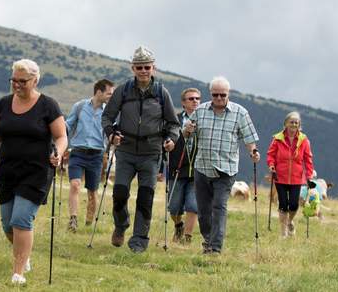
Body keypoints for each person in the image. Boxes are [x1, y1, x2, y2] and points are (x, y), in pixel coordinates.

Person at [0, 59, 67, 284]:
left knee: (21, 219)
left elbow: (61, 136)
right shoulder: (3, 104)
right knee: (8, 223)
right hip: (7, 170)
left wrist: (58, 151)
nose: (17, 85)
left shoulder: (48, 105)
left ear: (35, 80)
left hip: (36, 171)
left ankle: (18, 272)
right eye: (14, 80)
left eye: (23, 81)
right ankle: (23, 253)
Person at [101, 46, 179, 253]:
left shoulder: (162, 93)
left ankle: (139, 241)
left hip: (152, 153)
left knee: (146, 197)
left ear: (154, 68)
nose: (143, 71)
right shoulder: (123, 91)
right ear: (132, 68)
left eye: (147, 67)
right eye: (139, 67)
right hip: (125, 151)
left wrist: (171, 139)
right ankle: (121, 224)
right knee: (119, 193)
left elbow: (173, 123)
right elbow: (107, 116)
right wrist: (111, 134)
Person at [184, 76, 259, 254]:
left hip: (226, 169)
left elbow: (249, 137)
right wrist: (187, 130)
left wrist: (253, 152)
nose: (218, 98)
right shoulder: (200, 111)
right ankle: (208, 239)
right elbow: (186, 134)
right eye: (215, 95)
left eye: (222, 95)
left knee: (219, 206)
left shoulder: (240, 113)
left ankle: (215, 247)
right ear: (210, 94)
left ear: (228, 94)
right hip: (202, 167)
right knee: (203, 210)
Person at [64, 79, 115, 232]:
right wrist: (58, 125)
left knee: (92, 191)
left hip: (97, 155)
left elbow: (111, 132)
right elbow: (68, 125)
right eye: (109, 93)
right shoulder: (79, 107)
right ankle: (73, 220)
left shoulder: (109, 112)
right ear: (99, 92)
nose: (110, 97)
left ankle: (88, 222)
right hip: (78, 152)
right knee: (75, 185)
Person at [266, 111, 314, 238]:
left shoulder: (304, 140)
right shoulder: (277, 139)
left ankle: (290, 221)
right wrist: (271, 165)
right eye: (291, 122)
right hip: (280, 176)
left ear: (299, 125)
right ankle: (283, 233)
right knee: (283, 204)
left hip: (296, 177)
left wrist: (309, 176)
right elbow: (270, 155)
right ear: (286, 123)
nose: (294, 124)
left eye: (296, 122)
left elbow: (308, 159)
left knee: (294, 205)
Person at [166, 88, 202, 244]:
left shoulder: (205, 120)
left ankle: (187, 237)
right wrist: (183, 133)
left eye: (197, 98)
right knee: (173, 208)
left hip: (197, 170)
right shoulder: (174, 120)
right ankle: (178, 224)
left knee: (193, 205)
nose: (195, 101)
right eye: (190, 99)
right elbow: (168, 141)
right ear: (183, 102)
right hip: (177, 168)